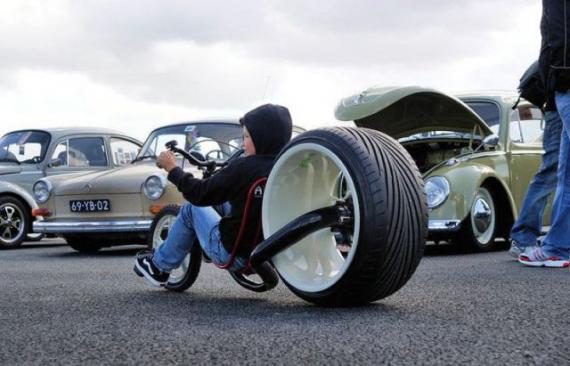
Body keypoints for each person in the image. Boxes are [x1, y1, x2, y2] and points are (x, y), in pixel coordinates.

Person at [134, 104, 293, 286]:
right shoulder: (285, 167)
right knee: (232, 202)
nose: (242, 143)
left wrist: (172, 168)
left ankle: (158, 266)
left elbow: (199, 194)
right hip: (271, 251)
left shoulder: (242, 168)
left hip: (233, 253)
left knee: (190, 209)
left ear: (262, 137)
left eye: (247, 137)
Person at [519, 0, 570, 267]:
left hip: (564, 83)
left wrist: (561, 76)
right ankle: (554, 244)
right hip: (558, 89)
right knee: (561, 171)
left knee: (559, 171)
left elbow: (557, 33)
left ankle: (558, 247)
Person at [509, 77, 562, 258]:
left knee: (552, 172)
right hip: (559, 107)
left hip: (556, 105)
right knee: (550, 172)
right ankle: (523, 237)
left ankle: (525, 237)